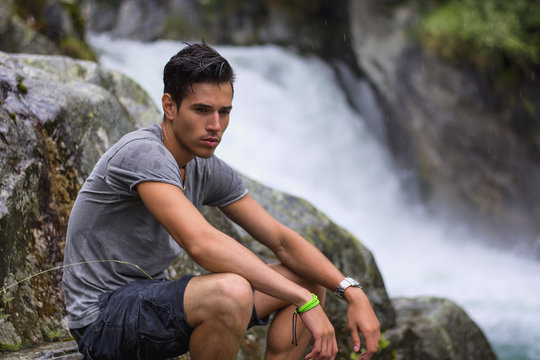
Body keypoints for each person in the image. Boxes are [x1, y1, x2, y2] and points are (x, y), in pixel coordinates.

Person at [62, 42, 380, 360]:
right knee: (232, 292)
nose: (215, 125)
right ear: (169, 106)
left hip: (152, 305)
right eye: (202, 110)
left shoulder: (205, 167)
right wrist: (301, 299)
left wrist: (350, 291)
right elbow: (200, 244)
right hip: (101, 319)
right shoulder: (144, 153)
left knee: (310, 280)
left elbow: (281, 240)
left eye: (223, 112)